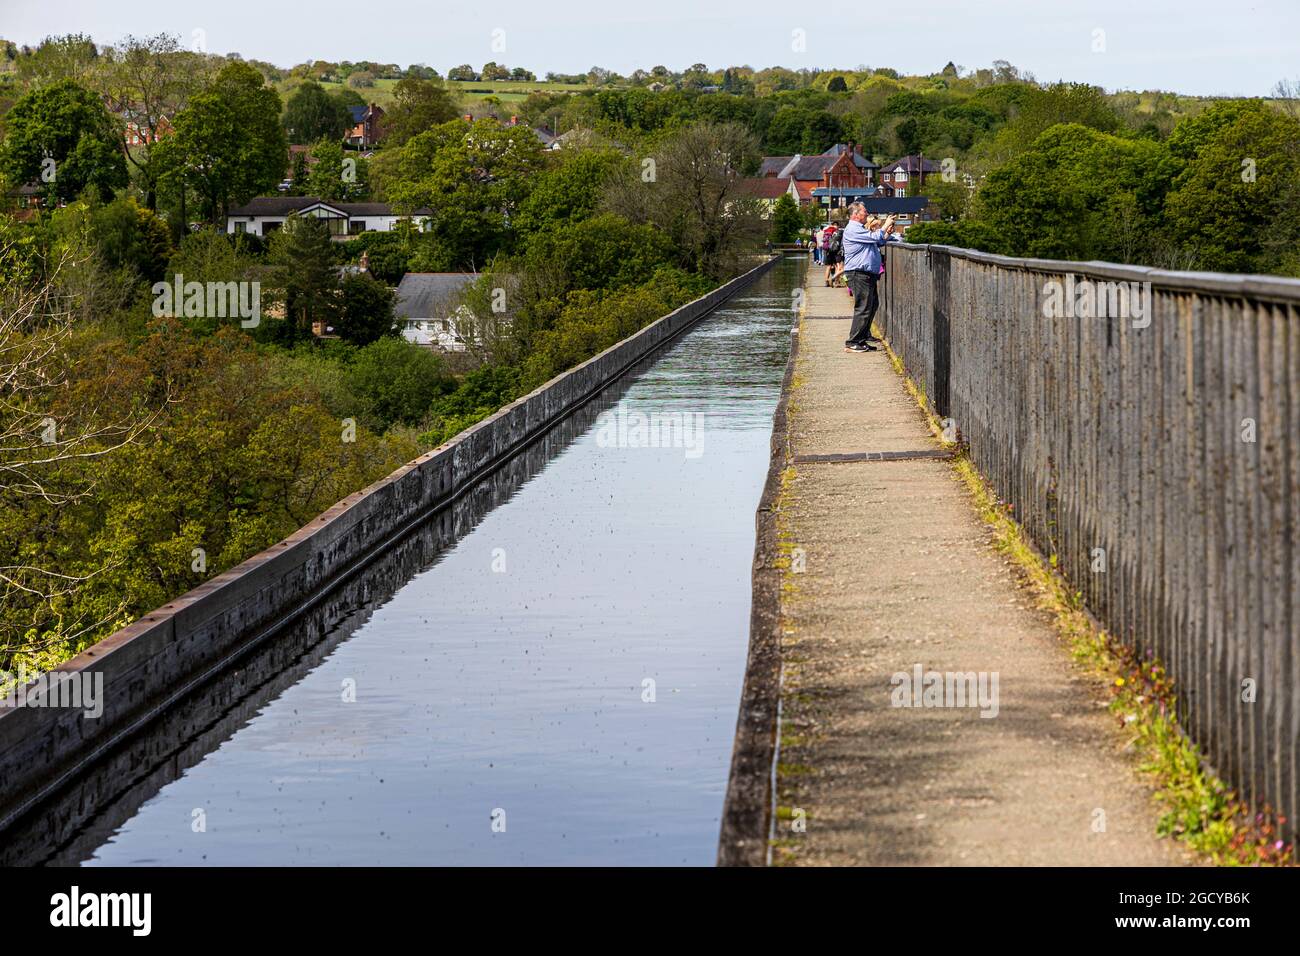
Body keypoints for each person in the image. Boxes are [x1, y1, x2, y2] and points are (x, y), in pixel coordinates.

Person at [841, 203, 901, 353]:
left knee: (872, 305)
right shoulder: (853, 228)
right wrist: (885, 225)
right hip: (858, 273)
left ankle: (862, 337)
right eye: (864, 212)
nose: (867, 215)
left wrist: (886, 233)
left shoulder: (859, 229)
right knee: (863, 307)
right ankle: (853, 342)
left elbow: (878, 241)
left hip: (866, 273)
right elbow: (875, 236)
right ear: (855, 214)